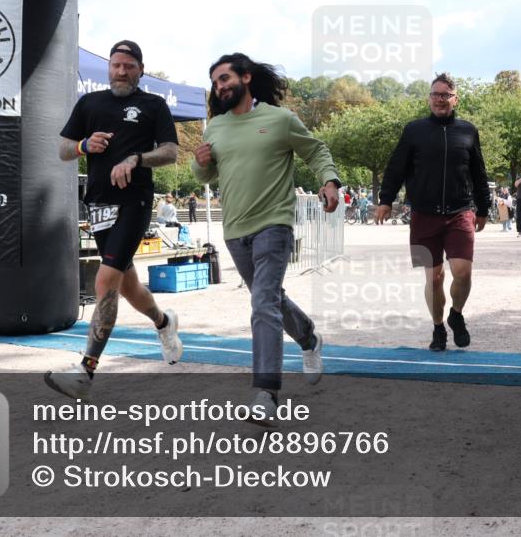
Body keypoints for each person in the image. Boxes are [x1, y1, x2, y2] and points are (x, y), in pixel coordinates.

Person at [192, 52, 336, 426]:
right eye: (215, 82)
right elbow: (204, 177)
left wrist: (329, 181)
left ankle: (266, 392)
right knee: (270, 299)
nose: (220, 86)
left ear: (246, 77)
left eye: (225, 78)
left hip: (274, 224)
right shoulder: (216, 127)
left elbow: (315, 150)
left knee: (261, 305)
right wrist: (200, 160)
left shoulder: (279, 119)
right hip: (235, 231)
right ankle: (308, 339)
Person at [45, 39, 183, 400]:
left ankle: (85, 372)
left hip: (134, 202)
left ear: (140, 69)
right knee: (126, 283)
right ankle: (164, 322)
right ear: (109, 67)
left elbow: (171, 152)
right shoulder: (90, 103)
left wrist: (136, 159)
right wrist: (83, 146)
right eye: (116, 65)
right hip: (98, 205)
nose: (121, 71)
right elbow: (62, 148)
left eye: (129, 66)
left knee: (105, 281)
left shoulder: (153, 105)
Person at [375, 72, 490, 352]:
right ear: (429, 98)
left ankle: (456, 315)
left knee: (462, 272)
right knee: (434, 277)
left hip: (460, 211)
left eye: (446, 95)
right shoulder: (413, 130)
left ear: (455, 99)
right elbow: (395, 167)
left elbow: (479, 172)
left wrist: (484, 207)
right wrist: (386, 199)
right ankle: (438, 327)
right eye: (436, 95)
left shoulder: (468, 130)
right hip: (423, 214)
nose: (440, 100)